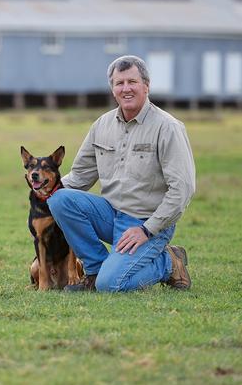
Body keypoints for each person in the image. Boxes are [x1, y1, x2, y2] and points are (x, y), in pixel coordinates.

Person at [47, 55, 196, 292]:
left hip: (147, 222)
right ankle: (95, 272)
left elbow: (182, 190)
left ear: (146, 86)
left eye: (132, 82)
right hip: (111, 214)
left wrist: (148, 229)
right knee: (59, 198)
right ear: (112, 89)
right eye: (119, 83)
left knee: (112, 285)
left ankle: (169, 262)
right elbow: (79, 177)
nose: (126, 88)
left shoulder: (168, 128)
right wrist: (42, 196)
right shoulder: (101, 125)